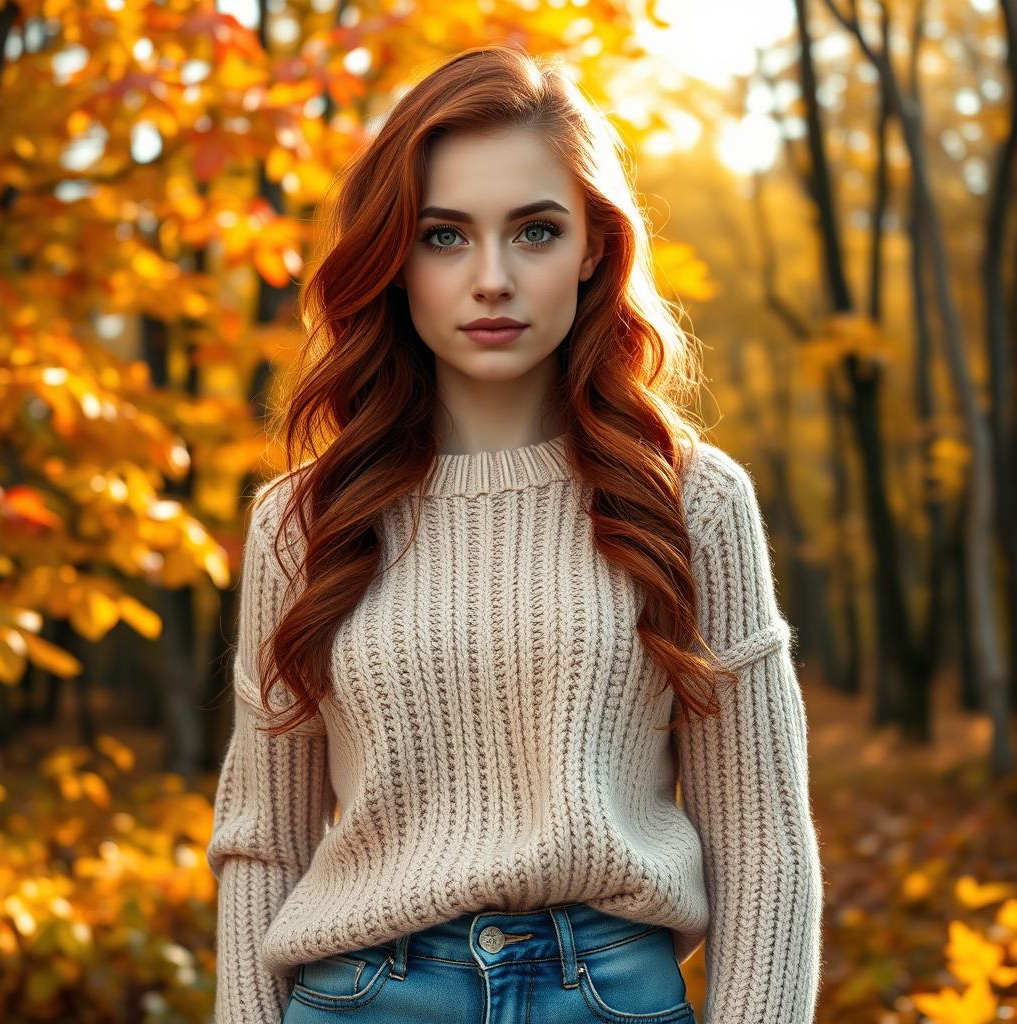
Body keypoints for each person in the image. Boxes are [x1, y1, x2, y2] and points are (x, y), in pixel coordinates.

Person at [205, 42, 824, 1024]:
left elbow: (763, 843)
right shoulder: (302, 521)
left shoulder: (691, 499)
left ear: (592, 248)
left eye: (533, 232)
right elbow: (261, 840)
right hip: (361, 995)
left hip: (608, 994)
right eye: (444, 236)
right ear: (394, 258)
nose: (490, 277)